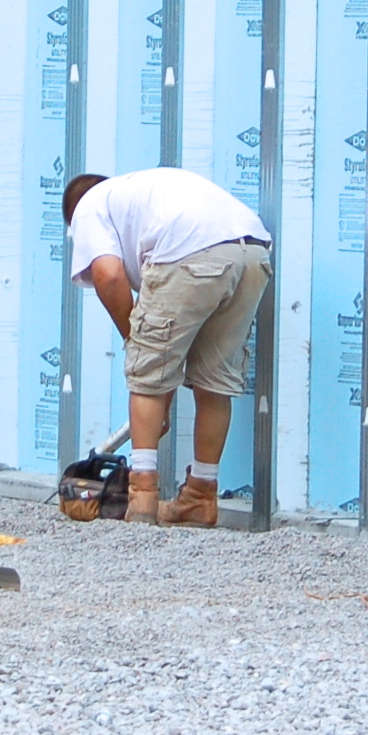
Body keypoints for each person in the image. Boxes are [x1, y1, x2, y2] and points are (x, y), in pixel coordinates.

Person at [63, 166, 272, 528]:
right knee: (214, 383)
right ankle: (200, 498)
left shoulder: (87, 206)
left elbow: (108, 276)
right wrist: (161, 369)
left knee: (145, 377)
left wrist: (137, 344)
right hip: (253, 253)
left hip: (190, 250)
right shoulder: (141, 193)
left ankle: (141, 499)